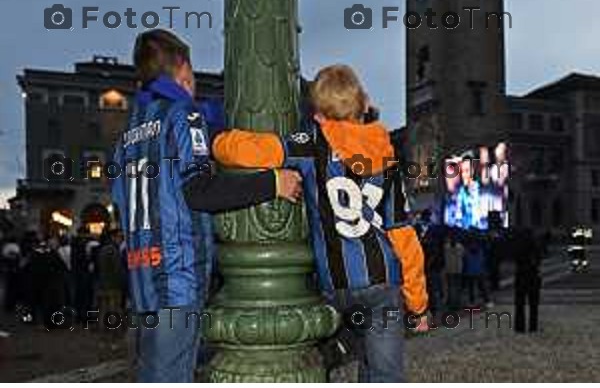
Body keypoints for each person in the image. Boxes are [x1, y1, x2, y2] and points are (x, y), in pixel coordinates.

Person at [212, 64, 429, 382]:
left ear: (318, 115)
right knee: (383, 372)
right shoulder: (386, 153)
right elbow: (403, 236)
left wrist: (219, 143)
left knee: (336, 351)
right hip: (383, 282)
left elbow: (253, 150)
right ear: (365, 105)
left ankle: (337, 351)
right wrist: (419, 306)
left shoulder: (311, 144)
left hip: (335, 285)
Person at [110, 29, 302, 383]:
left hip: (142, 280)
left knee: (153, 374)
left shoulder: (128, 131)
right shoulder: (182, 115)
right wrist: (272, 182)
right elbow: (199, 190)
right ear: (183, 69)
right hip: (177, 276)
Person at [513, 228, 541, 333]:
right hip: (533, 276)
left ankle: (520, 326)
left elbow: (515, 260)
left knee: (519, 304)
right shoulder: (535, 247)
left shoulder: (518, 247)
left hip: (521, 276)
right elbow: (539, 260)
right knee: (533, 305)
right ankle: (533, 326)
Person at [443, 234, 464, 311]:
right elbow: (463, 256)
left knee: (451, 287)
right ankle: (458, 303)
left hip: (449, 269)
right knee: (458, 287)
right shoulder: (460, 247)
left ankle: (452, 304)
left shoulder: (446, 247)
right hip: (458, 269)